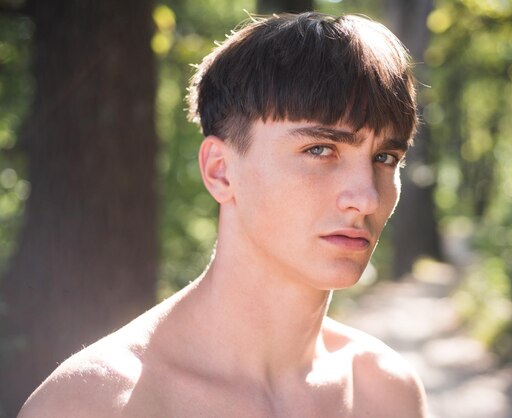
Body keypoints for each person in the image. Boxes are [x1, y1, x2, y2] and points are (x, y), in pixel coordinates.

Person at [19, 12, 427, 417]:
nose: (367, 197)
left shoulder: (387, 392)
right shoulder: (93, 405)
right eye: (320, 150)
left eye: (385, 157)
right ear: (220, 170)